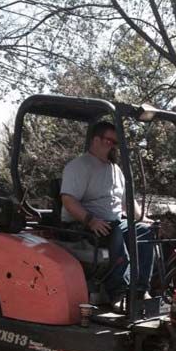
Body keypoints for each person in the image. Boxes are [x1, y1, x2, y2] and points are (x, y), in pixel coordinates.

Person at [60, 121, 154, 302]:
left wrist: (143, 218)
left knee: (143, 231)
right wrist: (91, 220)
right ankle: (117, 293)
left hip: (113, 221)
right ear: (96, 140)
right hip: (82, 224)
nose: (113, 146)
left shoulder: (115, 169)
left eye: (116, 143)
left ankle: (141, 290)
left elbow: (127, 202)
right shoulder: (80, 166)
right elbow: (68, 200)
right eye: (110, 141)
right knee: (114, 231)